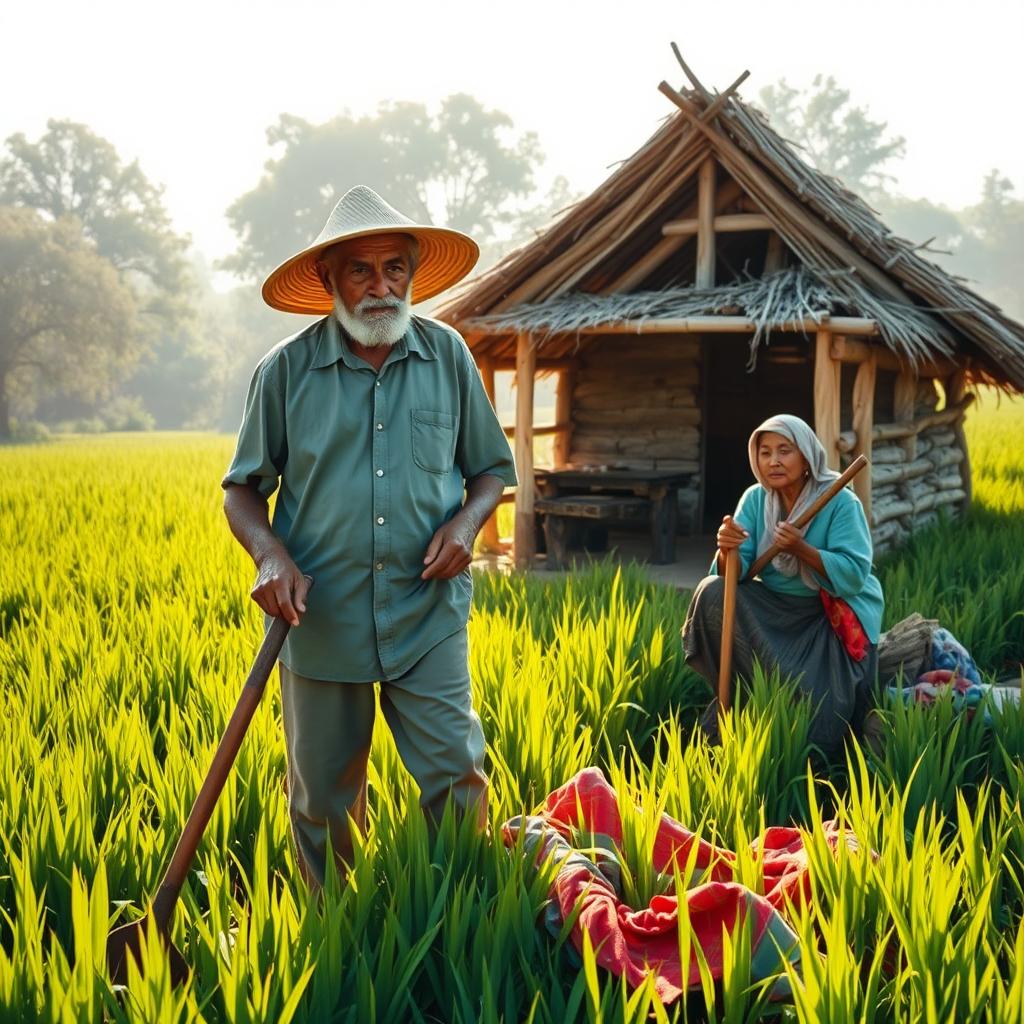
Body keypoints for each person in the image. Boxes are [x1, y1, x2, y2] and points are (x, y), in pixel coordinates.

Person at [222, 185, 517, 886]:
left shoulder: (447, 356)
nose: (381, 286)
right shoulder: (286, 371)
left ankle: (458, 923)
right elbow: (242, 489)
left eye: (395, 269)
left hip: (427, 610)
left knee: (456, 773)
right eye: (362, 270)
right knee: (322, 800)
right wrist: (271, 555)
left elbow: (489, 472)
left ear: (412, 275)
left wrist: (466, 524)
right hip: (322, 619)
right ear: (329, 278)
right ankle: (339, 935)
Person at [681, 414, 883, 756]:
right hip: (776, 607)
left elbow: (853, 574)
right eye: (765, 452)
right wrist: (727, 548)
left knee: (820, 709)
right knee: (711, 590)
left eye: (784, 450)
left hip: (826, 612)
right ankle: (739, 693)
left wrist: (802, 550)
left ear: (806, 456)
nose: (773, 460)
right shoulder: (756, 499)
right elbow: (738, 573)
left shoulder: (839, 500)